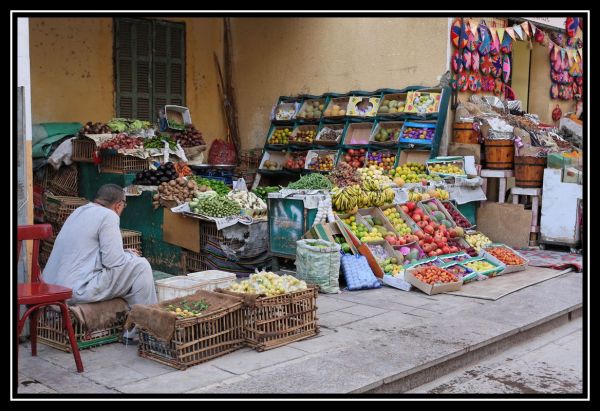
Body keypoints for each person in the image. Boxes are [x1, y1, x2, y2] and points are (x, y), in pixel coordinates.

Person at [42, 184, 157, 343]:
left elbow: (92, 252)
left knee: (132, 261)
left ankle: (136, 325)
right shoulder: (109, 216)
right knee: (141, 266)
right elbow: (113, 261)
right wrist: (129, 256)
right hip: (75, 290)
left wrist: (125, 253)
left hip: (50, 286)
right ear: (118, 205)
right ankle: (143, 331)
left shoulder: (79, 211)